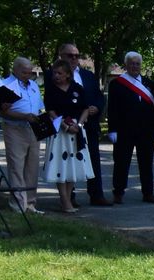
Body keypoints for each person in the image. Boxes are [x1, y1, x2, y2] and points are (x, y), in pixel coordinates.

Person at [56, 43, 111, 206]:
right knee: (68, 162)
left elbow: (99, 96)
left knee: (93, 159)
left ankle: (96, 194)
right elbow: (54, 101)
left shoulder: (88, 75)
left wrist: (96, 107)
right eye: (69, 55)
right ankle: (68, 197)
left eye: (76, 56)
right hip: (68, 125)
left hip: (90, 124)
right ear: (61, 56)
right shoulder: (54, 75)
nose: (74, 59)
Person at [107, 51, 154, 204]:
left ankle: (148, 193)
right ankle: (118, 192)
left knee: (146, 163)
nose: (135, 66)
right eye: (132, 63)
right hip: (124, 130)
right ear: (126, 65)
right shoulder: (117, 84)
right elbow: (112, 108)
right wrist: (112, 129)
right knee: (121, 162)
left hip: (147, 130)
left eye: (137, 63)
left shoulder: (150, 84)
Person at [42, 59, 94, 212]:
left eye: (59, 73)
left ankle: (68, 198)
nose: (56, 76)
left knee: (72, 166)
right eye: (54, 73)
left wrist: (79, 125)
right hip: (60, 132)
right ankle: (64, 201)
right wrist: (64, 125)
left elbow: (85, 108)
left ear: (67, 75)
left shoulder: (77, 88)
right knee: (61, 165)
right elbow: (50, 111)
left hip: (76, 131)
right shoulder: (51, 90)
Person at [0, 57, 44, 213]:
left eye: (30, 72)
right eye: (24, 72)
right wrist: (23, 116)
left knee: (32, 167)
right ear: (16, 69)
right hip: (15, 128)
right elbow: (2, 111)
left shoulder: (33, 85)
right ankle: (18, 204)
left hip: (33, 128)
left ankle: (30, 203)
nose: (28, 75)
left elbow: (39, 108)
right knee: (17, 166)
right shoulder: (5, 85)